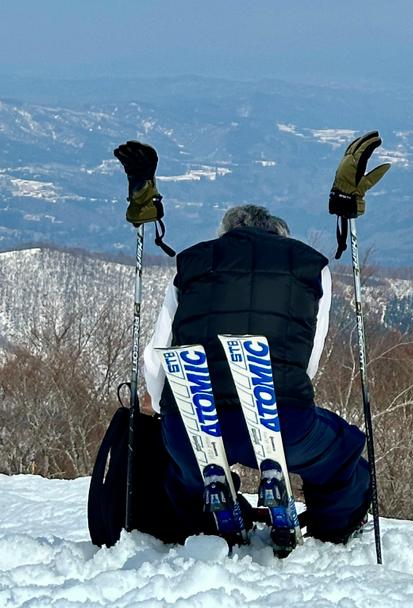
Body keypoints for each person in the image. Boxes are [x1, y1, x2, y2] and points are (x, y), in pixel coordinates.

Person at [143, 201, 371, 543]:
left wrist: (166, 414)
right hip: (280, 417)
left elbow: (158, 355)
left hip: (192, 418)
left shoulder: (190, 262)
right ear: (279, 235)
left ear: (225, 233)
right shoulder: (311, 267)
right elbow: (309, 358)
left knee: (180, 471)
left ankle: (210, 516)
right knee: (342, 452)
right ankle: (331, 531)